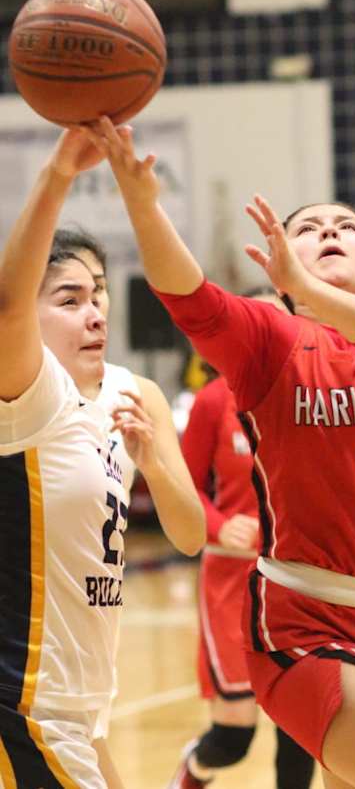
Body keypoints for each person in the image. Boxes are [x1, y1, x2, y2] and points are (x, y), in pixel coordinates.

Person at [89, 116, 355, 789]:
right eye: (308, 228)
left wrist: (308, 289)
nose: (328, 231)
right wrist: (142, 204)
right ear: (281, 266)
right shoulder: (269, 340)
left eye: (345, 226)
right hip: (309, 620)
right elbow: (189, 299)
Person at [0, 129, 205, 789]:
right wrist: (59, 173)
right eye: (68, 300)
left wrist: (155, 462)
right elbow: (6, 306)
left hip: (83, 704)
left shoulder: (134, 394)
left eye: (98, 295)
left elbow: (191, 535)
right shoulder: (30, 396)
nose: (93, 314)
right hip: (24, 699)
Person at [168, 292, 315, 789]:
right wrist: (217, 526)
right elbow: (183, 487)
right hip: (233, 579)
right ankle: (191, 772)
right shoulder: (214, 400)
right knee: (233, 738)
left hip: (298, 580)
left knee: (300, 729)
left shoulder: (311, 395)